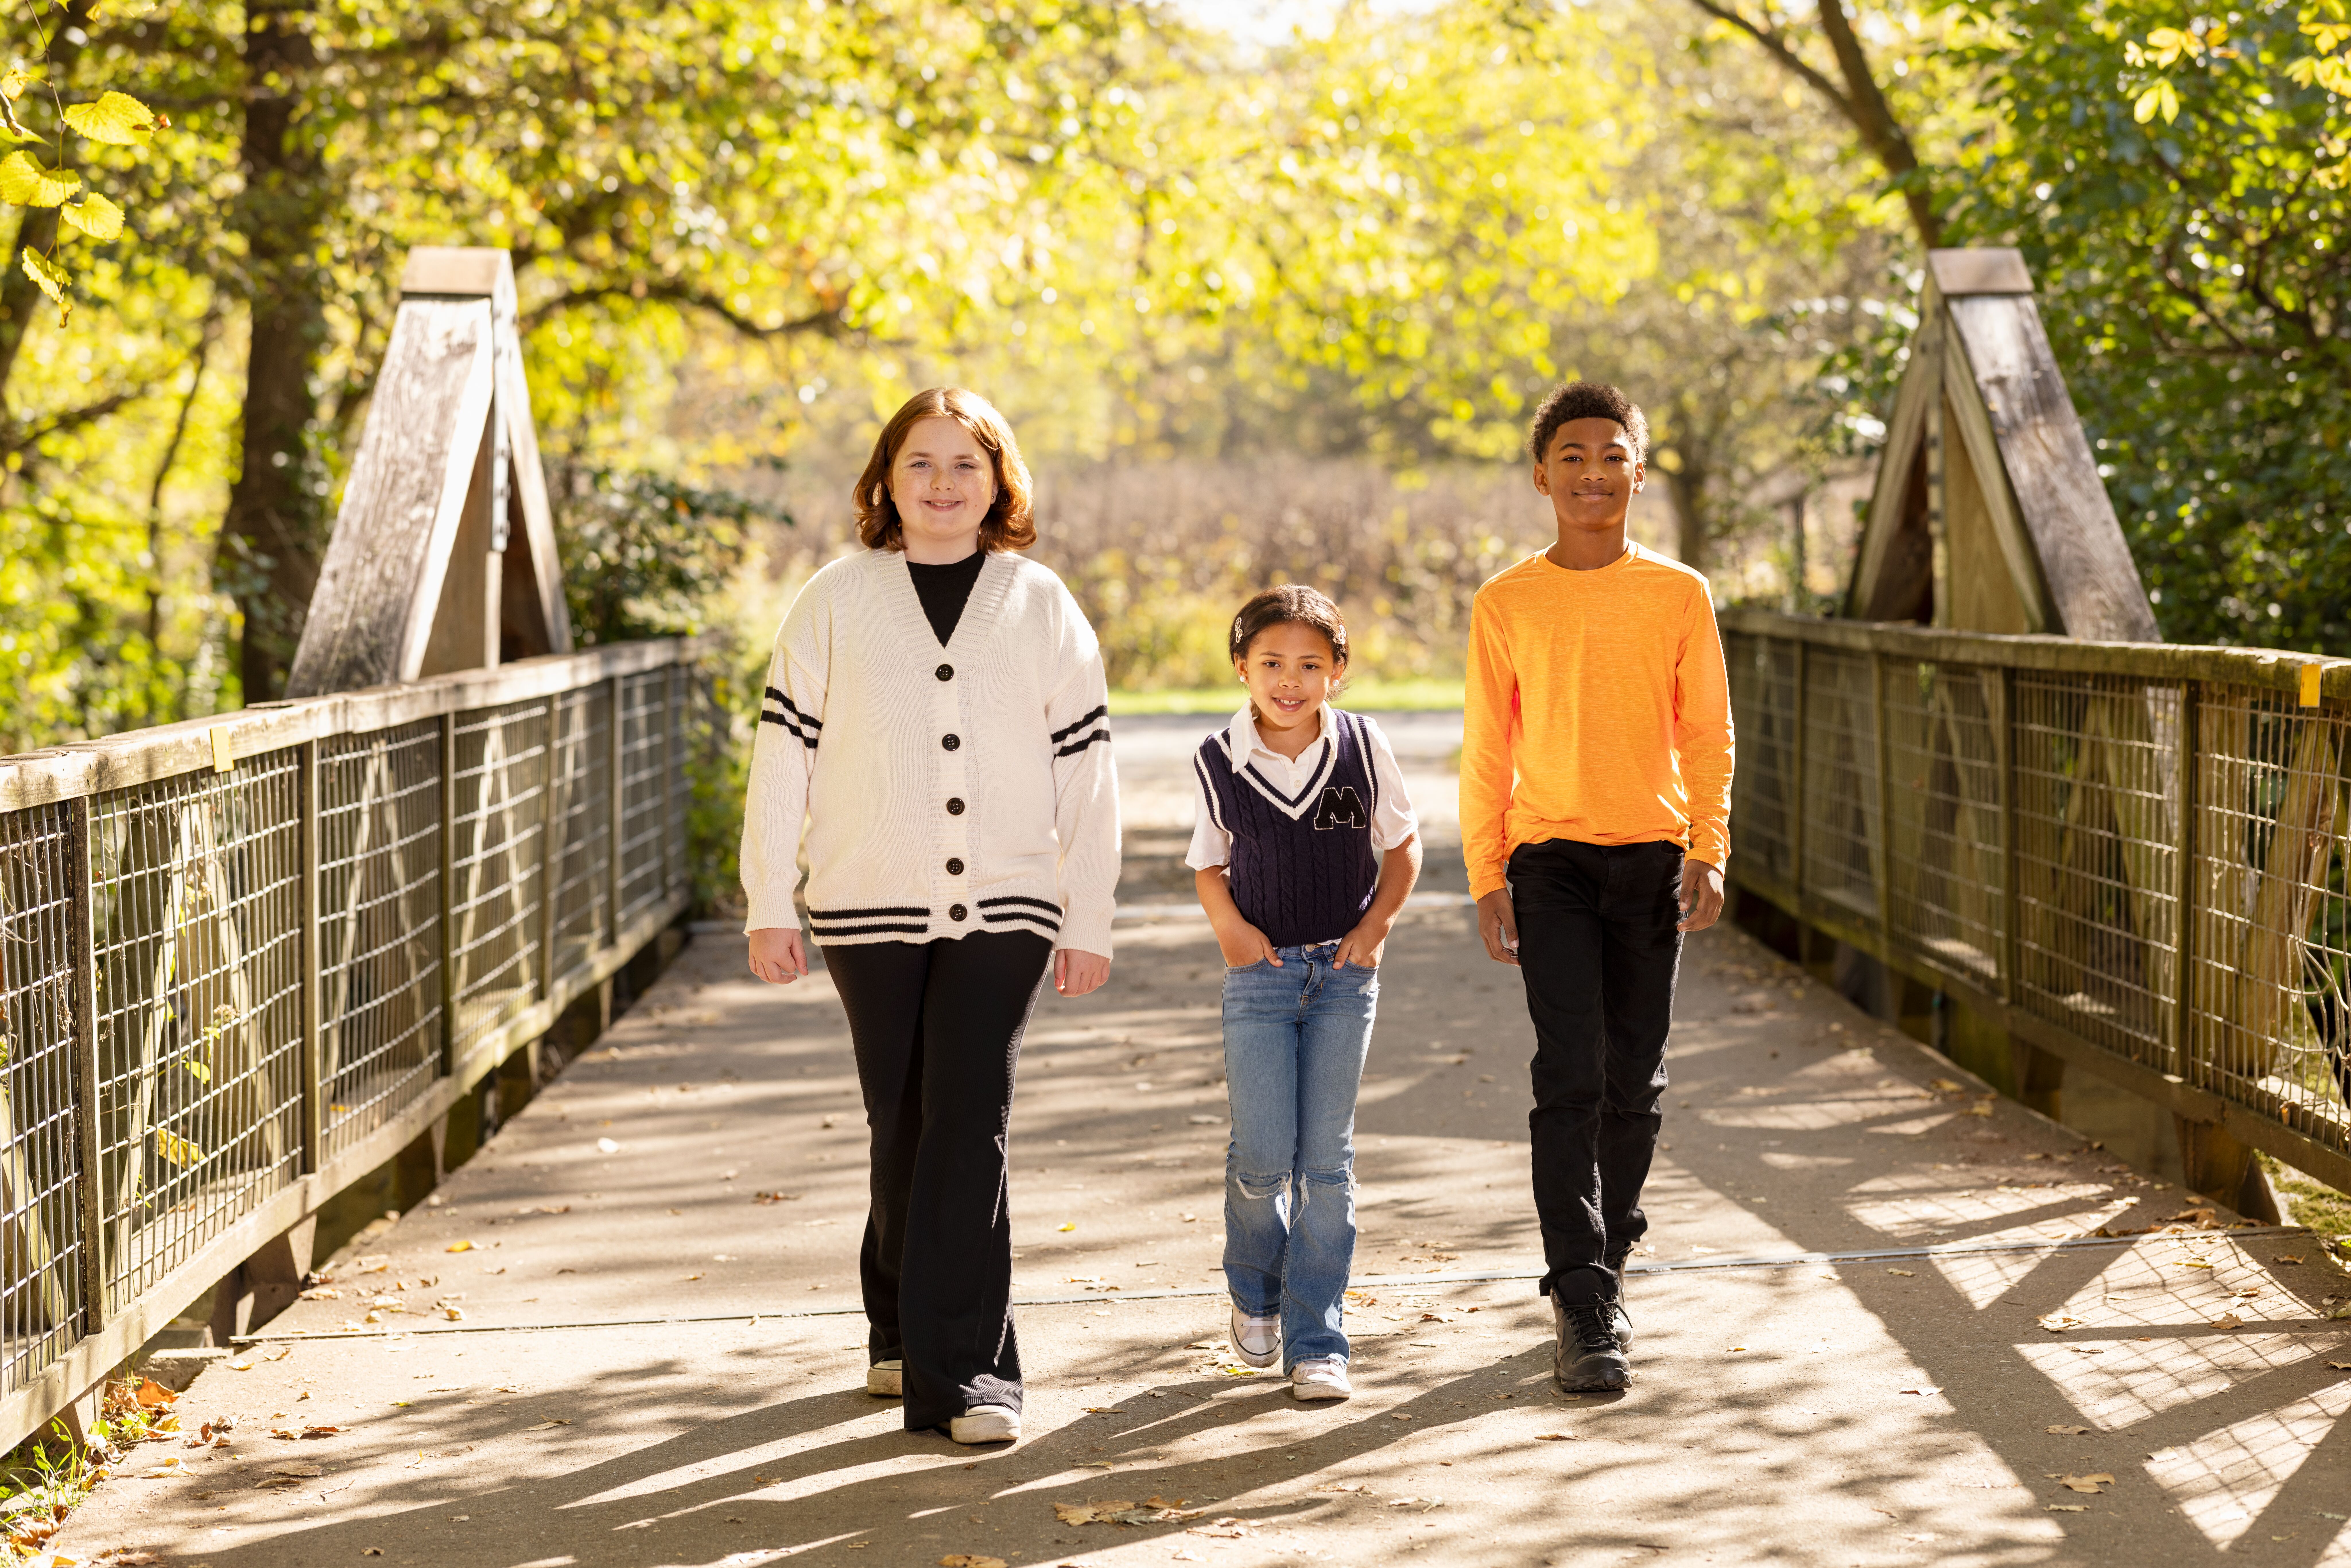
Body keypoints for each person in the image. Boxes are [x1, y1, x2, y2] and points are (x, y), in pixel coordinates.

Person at [741, 387, 1119, 1446]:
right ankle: (900, 1323)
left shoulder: (1040, 602)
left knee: (967, 1116)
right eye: (922, 464)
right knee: (900, 1117)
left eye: (967, 464)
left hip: (1007, 902)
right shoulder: (833, 600)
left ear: (1000, 481)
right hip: (866, 901)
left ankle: (969, 1377)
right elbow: (783, 758)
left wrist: (1089, 913)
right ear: (884, 481)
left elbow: (1089, 772)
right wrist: (771, 900)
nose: (944, 485)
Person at [1459, 381, 1733, 1392]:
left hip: (1654, 860)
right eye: (1571, 457)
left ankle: (1608, 1250)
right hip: (1551, 862)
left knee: (1637, 1079)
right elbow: (1488, 747)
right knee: (1569, 1072)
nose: (1592, 474)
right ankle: (1581, 1295)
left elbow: (1708, 732)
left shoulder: (1678, 594)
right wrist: (1487, 871)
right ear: (1543, 476)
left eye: (1611, 456)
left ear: (1639, 473)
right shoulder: (1506, 602)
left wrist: (1710, 846)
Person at [1189, 585, 1421, 1402]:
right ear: (1243, 668)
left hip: (1343, 978)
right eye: (1273, 663)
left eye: (1312, 665)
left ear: (1339, 672)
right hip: (1259, 979)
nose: (1291, 681)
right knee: (1262, 1158)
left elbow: (1403, 847)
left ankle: (1317, 1336)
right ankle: (1254, 1288)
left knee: (1326, 1162)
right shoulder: (1218, 758)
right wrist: (1229, 928)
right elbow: (1207, 863)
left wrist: (1378, 926)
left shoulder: (1362, 747)